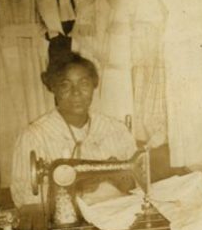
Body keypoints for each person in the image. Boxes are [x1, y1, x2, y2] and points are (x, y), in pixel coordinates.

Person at [10, 53, 137, 208]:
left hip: (118, 216)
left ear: (94, 85)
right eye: (65, 85)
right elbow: (24, 197)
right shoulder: (34, 136)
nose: (76, 92)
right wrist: (75, 188)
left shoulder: (117, 130)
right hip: (64, 225)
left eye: (84, 84)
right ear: (53, 88)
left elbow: (138, 183)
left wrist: (121, 179)